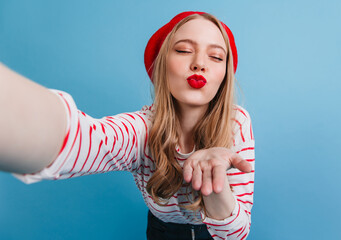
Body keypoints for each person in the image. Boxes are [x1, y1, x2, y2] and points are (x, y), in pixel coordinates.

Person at [0, 11, 255, 240]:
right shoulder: (141, 130)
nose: (200, 63)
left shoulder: (236, 122)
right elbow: (77, 138)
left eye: (215, 56)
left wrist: (213, 184)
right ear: (161, 65)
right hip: (161, 232)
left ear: (224, 75)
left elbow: (237, 234)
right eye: (183, 50)